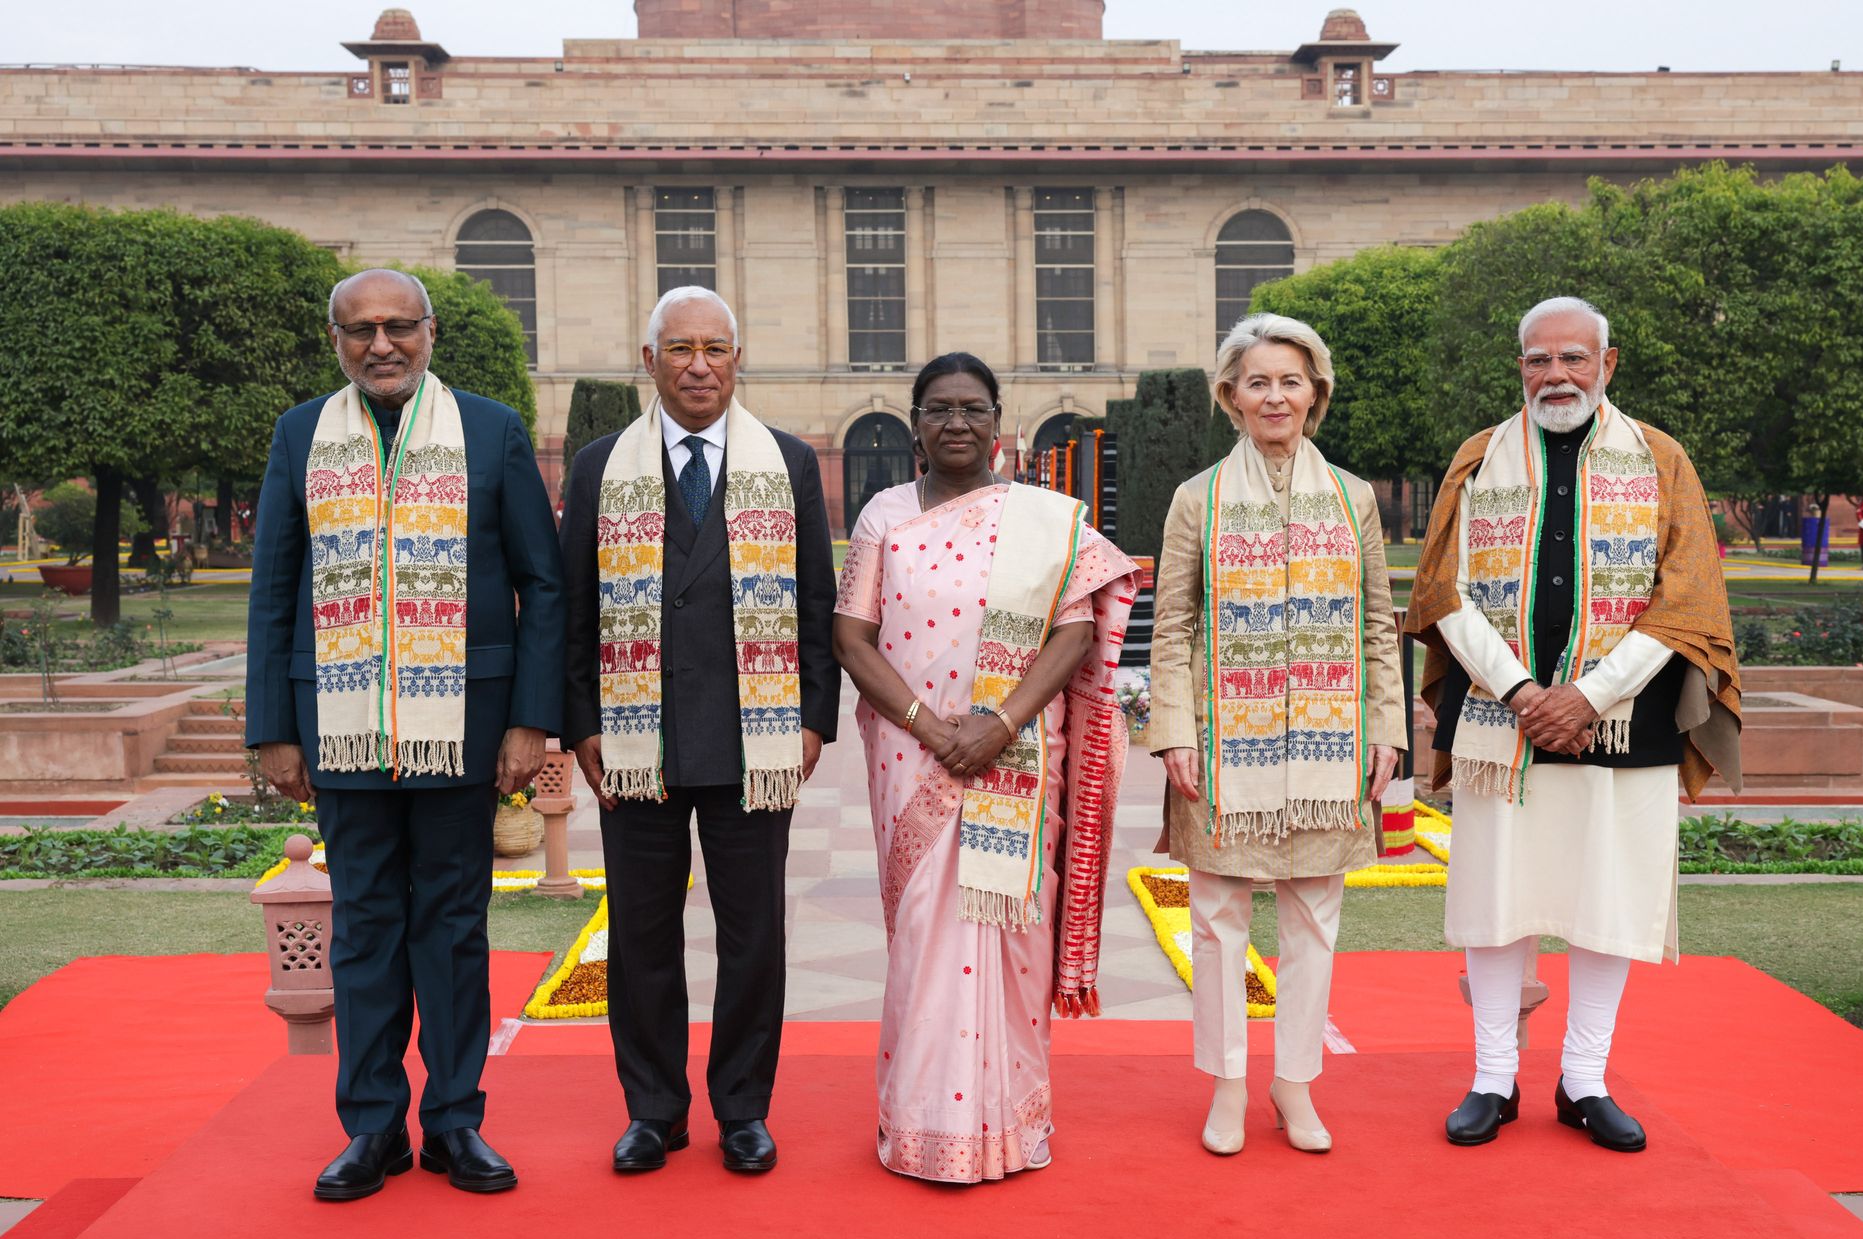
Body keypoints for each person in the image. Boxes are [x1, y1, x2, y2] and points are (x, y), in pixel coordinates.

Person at [246, 269, 565, 1201]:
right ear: (335, 340)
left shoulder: (491, 431)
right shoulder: (302, 433)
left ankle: (456, 1122)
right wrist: (274, 728)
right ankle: (373, 1127)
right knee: (368, 928)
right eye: (360, 330)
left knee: (455, 926)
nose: (380, 345)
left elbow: (540, 587)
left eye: (397, 327)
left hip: (462, 726)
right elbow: (275, 588)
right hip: (339, 724)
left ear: (430, 333)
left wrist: (530, 721)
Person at [1405, 296, 1742, 1153]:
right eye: (1537, 361)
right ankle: (1492, 1078)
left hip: (1627, 719)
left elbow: (1687, 600)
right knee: (1495, 900)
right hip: (1498, 717)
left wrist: (1588, 696)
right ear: (1519, 366)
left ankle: (1585, 1080)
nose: (1554, 376)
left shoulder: (1660, 459)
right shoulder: (1479, 460)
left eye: (1572, 359)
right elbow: (1445, 593)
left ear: (1607, 363)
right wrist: (1522, 691)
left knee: (1608, 900)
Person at [832, 353, 1137, 1182]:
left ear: (998, 421)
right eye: (938, 409)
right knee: (925, 934)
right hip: (909, 753)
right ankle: (924, 1127)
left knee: (1011, 934)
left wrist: (999, 725)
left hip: (1016, 754)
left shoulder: (1044, 520)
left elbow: (1074, 632)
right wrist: (932, 728)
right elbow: (851, 638)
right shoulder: (882, 518)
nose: (955, 422)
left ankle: (1011, 1124)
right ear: (915, 422)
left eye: (971, 408)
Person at [560, 286, 838, 1176]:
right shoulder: (602, 466)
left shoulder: (786, 463)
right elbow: (573, 608)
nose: (699, 366)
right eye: (679, 349)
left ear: (737, 358)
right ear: (649, 362)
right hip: (634, 743)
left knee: (753, 935)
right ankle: (653, 1111)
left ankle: (743, 1111)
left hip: (751, 742)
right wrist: (582, 725)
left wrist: (810, 719)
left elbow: (815, 603)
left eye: (716, 349)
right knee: (641, 935)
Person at [1147, 313, 1405, 1157]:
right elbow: (1173, 626)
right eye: (1257, 381)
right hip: (1226, 747)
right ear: (1230, 396)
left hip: (1331, 742)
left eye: (1291, 380)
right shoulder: (1198, 499)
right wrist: (1175, 732)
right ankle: (1227, 1084)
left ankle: (1293, 1085)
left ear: (1316, 393)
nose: (1275, 396)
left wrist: (1384, 729)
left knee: (1314, 920)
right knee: (1218, 921)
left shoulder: (1354, 497)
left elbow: (1377, 624)